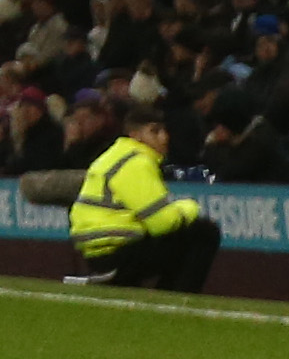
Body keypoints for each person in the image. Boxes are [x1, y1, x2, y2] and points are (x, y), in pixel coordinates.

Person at [66, 107, 219, 292]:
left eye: (164, 131)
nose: (164, 137)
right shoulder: (137, 162)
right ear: (135, 135)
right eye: (154, 131)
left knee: (175, 236)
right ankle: (176, 298)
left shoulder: (114, 155)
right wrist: (189, 207)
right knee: (204, 232)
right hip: (116, 251)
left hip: (97, 249)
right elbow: (163, 222)